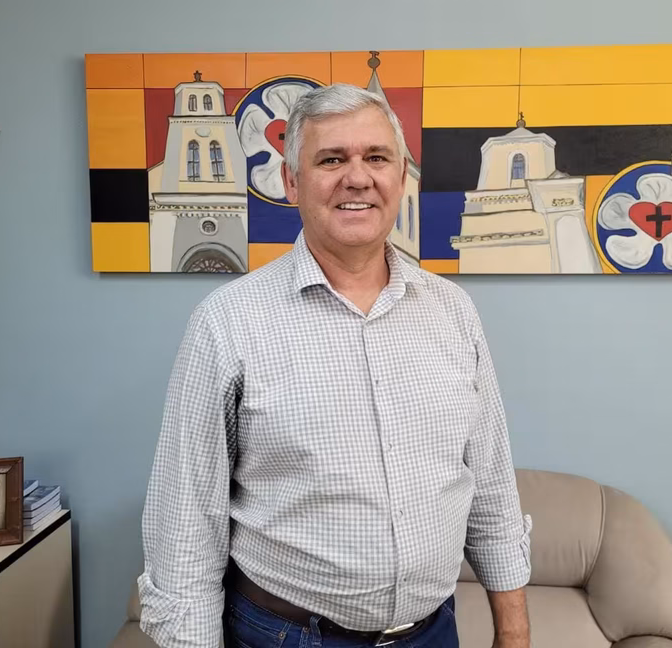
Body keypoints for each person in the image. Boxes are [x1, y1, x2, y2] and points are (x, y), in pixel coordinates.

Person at [138, 82, 532, 648]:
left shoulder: (453, 312)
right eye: (331, 160)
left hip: (433, 633)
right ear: (292, 181)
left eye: (377, 158)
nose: (357, 178)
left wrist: (513, 632)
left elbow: (490, 485)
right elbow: (187, 521)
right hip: (286, 636)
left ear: (401, 176)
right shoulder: (227, 322)